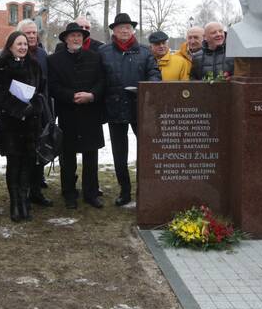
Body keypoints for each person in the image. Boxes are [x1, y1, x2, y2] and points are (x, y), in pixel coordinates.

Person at [98, 13, 160, 206]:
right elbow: (98, 78)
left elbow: (154, 74)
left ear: (132, 30)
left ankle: (146, 189)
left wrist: (149, 88)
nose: (124, 30)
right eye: (120, 27)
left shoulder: (144, 51)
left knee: (146, 150)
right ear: (114, 31)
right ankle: (124, 190)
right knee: (119, 153)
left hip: (139, 108)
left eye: (128, 27)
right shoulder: (104, 51)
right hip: (115, 108)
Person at [47, 22, 105, 209]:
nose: (76, 38)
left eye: (79, 36)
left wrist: (92, 95)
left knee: (91, 157)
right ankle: (69, 192)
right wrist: (70, 96)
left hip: (90, 113)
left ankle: (91, 192)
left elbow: (102, 81)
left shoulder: (95, 58)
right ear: (65, 39)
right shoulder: (54, 60)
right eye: (72, 36)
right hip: (68, 114)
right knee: (68, 157)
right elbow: (53, 87)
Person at [0, 31, 46, 221]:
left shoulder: (34, 65)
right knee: (14, 164)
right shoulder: (1, 66)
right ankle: (15, 203)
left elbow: (41, 91)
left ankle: (25, 201)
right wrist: (20, 109)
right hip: (12, 125)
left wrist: (35, 107)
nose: (23, 47)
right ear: (10, 46)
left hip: (32, 124)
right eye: (19, 44)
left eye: (25, 44)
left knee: (28, 164)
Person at [17, 19, 52, 207]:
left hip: (41, 111)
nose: (31, 35)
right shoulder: (16, 54)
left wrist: (49, 112)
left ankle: (37, 190)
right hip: (22, 114)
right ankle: (23, 194)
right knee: (23, 156)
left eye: (33, 32)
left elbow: (47, 85)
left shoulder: (42, 54)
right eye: (27, 33)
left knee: (40, 152)